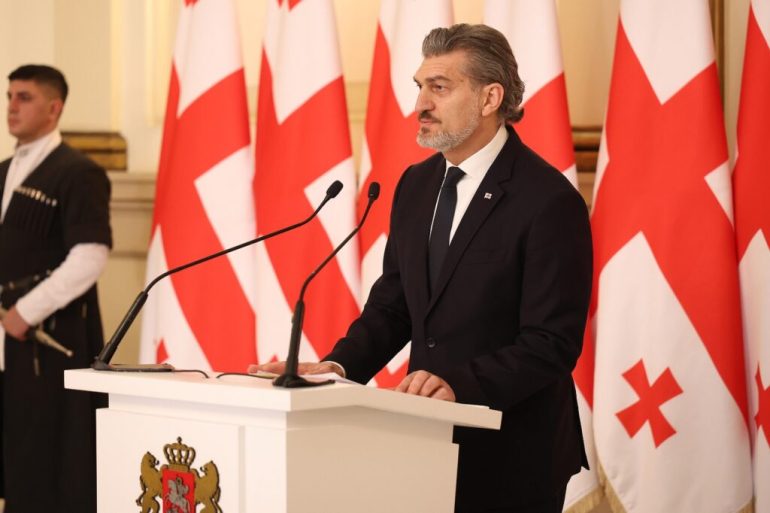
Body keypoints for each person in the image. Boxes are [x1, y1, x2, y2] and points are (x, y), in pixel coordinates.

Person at [260, 24, 592, 512]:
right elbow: (394, 307)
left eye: (440, 87)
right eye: (420, 87)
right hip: (422, 444)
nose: (421, 104)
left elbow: (551, 343)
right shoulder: (415, 185)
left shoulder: (547, 199)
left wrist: (461, 384)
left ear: (490, 98)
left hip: (514, 453)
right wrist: (337, 368)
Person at [0, 64, 111, 512]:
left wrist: (26, 311)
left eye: (24, 97)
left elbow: (90, 256)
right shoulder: (3, 170)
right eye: (9, 96)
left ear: (54, 107)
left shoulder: (78, 172)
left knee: (49, 461)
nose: (12, 106)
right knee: (15, 458)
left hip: (51, 344)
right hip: (7, 345)